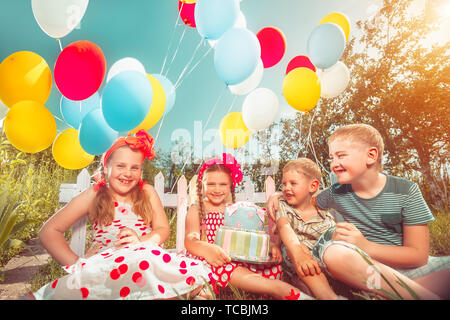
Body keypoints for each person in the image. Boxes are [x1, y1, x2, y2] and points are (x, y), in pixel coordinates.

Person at [268, 124, 449, 300]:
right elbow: (304, 199)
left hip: (407, 269)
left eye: (341, 156)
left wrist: (365, 245)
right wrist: (278, 196)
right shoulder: (336, 192)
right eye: (331, 158)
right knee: (333, 252)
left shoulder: (406, 190)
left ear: (370, 156)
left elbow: (418, 256)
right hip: (359, 270)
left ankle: (395, 293)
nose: (334, 164)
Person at [34, 130, 209, 300]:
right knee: (88, 286)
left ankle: (183, 292)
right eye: (120, 166)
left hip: (145, 257)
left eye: (135, 167)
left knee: (152, 267)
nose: (127, 173)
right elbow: (49, 231)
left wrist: (141, 242)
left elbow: (163, 229)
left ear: (141, 170)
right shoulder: (94, 194)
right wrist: (77, 264)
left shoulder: (147, 192)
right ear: (106, 166)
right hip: (110, 261)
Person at [184, 153, 312, 300]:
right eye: (211, 184)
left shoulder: (235, 209)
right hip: (211, 262)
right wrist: (207, 249)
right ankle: (283, 291)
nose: (217, 189)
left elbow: (250, 237)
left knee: (274, 269)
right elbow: (190, 239)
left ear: (231, 185)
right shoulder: (197, 209)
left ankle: (287, 290)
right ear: (202, 183)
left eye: (223, 184)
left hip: (236, 258)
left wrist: (269, 246)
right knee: (261, 281)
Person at [276, 158, 346, 300]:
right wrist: (298, 252)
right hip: (298, 259)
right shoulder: (284, 205)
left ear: (312, 186)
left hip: (325, 260)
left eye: (293, 183)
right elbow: (283, 226)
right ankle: (330, 297)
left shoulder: (323, 214)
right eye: (284, 184)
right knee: (298, 248)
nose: (286, 188)